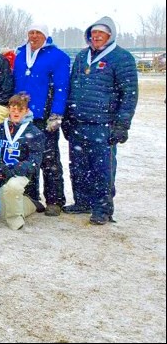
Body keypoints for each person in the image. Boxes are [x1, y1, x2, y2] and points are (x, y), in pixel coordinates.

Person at [63, 16, 138, 225]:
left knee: (102, 168)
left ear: (110, 35)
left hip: (103, 124)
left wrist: (122, 124)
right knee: (78, 165)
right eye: (94, 33)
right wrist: (68, 118)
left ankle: (102, 208)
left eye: (101, 34)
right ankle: (82, 202)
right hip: (78, 122)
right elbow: (72, 88)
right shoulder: (81, 57)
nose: (96, 37)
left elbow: (129, 94)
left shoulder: (122, 58)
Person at [12, 22, 71, 216]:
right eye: (31, 32)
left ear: (45, 36)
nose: (34, 36)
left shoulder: (58, 57)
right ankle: (31, 197)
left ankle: (54, 200)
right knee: (26, 158)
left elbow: (62, 87)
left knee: (49, 158)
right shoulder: (20, 56)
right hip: (23, 115)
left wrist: (56, 114)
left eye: (38, 33)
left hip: (44, 116)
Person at [0, 92, 46, 229]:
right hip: (2, 171)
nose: (16, 112)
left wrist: (14, 170)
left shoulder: (35, 133)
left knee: (12, 188)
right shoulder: (0, 129)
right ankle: (31, 204)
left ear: (26, 111)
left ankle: (15, 222)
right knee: (2, 211)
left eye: (20, 110)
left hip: (21, 174)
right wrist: (0, 167)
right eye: (13, 109)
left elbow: (34, 162)